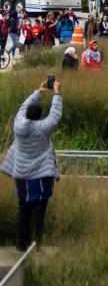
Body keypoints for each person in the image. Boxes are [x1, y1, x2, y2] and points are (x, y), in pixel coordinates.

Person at [1, 80, 63, 251]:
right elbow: (55, 114)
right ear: (40, 115)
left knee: (24, 208)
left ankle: (22, 244)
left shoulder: (18, 124)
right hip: (39, 175)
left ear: (27, 114)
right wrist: (57, 93)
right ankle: (36, 244)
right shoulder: (43, 128)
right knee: (39, 210)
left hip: (21, 175)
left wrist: (38, 92)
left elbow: (23, 107)